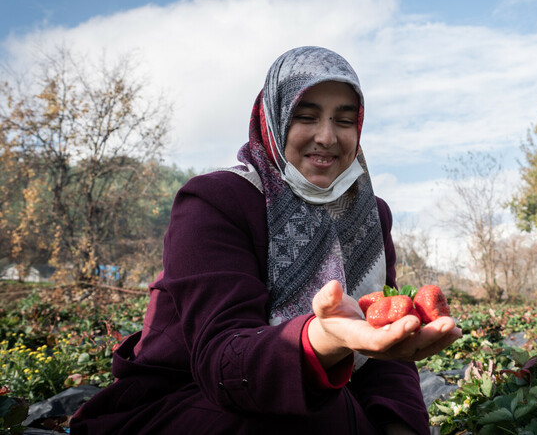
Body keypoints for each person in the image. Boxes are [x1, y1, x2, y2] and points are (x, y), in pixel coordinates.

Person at [71, 46, 461, 434]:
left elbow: (384, 356)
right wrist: (321, 339)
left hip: (327, 401)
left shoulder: (369, 214)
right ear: (272, 120)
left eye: (344, 121)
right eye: (305, 117)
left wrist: (400, 428)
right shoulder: (215, 201)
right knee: (306, 417)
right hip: (185, 400)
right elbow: (221, 358)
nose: (327, 137)